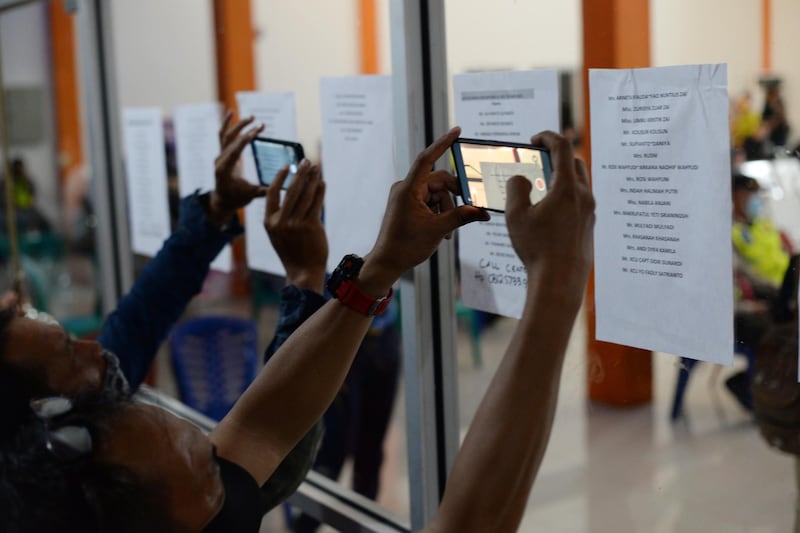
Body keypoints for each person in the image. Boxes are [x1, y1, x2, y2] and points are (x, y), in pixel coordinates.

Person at [4, 128, 594, 533]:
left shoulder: (172, 502)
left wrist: (377, 268)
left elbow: (263, 426)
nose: (95, 347)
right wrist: (557, 279)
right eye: (210, 474)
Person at [0, 112, 321, 513]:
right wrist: (306, 277)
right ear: (51, 424)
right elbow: (268, 443)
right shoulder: (140, 502)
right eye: (67, 352)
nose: (95, 348)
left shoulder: (72, 431)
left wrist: (215, 210)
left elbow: (139, 316)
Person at [261, 161, 401, 532]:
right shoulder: (323, 208)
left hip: (383, 338)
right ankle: (304, 527)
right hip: (341, 342)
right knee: (330, 451)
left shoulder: (388, 200)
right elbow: (315, 274)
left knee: (372, 450)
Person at [728, 173, 792, 409]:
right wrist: (749, 306)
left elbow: (784, 256)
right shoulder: (727, 232)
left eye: (755, 193)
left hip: (780, 293)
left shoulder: (763, 224)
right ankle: (751, 388)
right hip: (749, 306)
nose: (753, 199)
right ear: (732, 197)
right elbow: (737, 280)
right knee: (780, 335)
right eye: (747, 194)